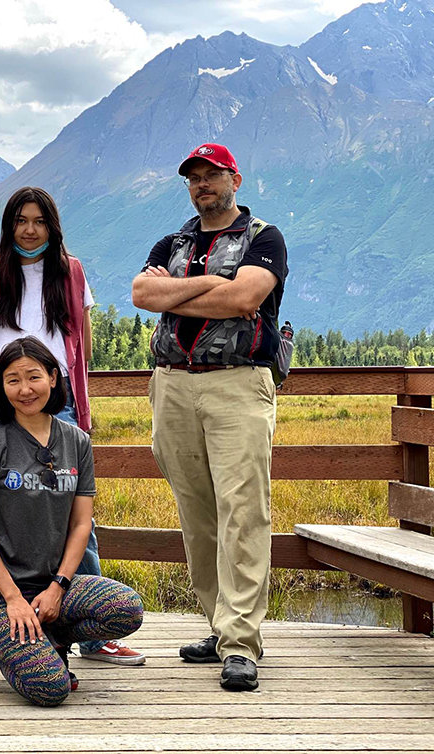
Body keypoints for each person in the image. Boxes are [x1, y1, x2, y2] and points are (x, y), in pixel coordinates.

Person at [0, 186, 146, 683]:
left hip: (57, 394)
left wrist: (84, 407)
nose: (30, 229)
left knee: (73, 508)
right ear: (9, 224)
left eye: (39, 220)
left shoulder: (71, 272)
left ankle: (90, 632)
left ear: (52, 225)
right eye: (21, 219)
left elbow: (79, 345)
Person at [131, 143, 288, 691]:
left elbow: (245, 297)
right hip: (172, 386)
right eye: (194, 178)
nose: (202, 185)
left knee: (243, 511)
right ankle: (220, 628)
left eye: (212, 175)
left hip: (238, 385)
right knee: (197, 513)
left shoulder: (264, 238)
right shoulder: (172, 241)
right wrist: (209, 288)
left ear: (235, 179)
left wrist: (178, 295)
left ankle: (242, 642)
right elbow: (141, 292)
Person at [0, 337, 144, 707]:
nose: (25, 389)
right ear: (0, 387)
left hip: (51, 587)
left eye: (34, 377)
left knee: (126, 608)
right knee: (50, 688)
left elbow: (81, 525)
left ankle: (52, 638)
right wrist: (13, 598)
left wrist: (59, 586)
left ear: (54, 378)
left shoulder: (76, 441)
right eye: (12, 380)